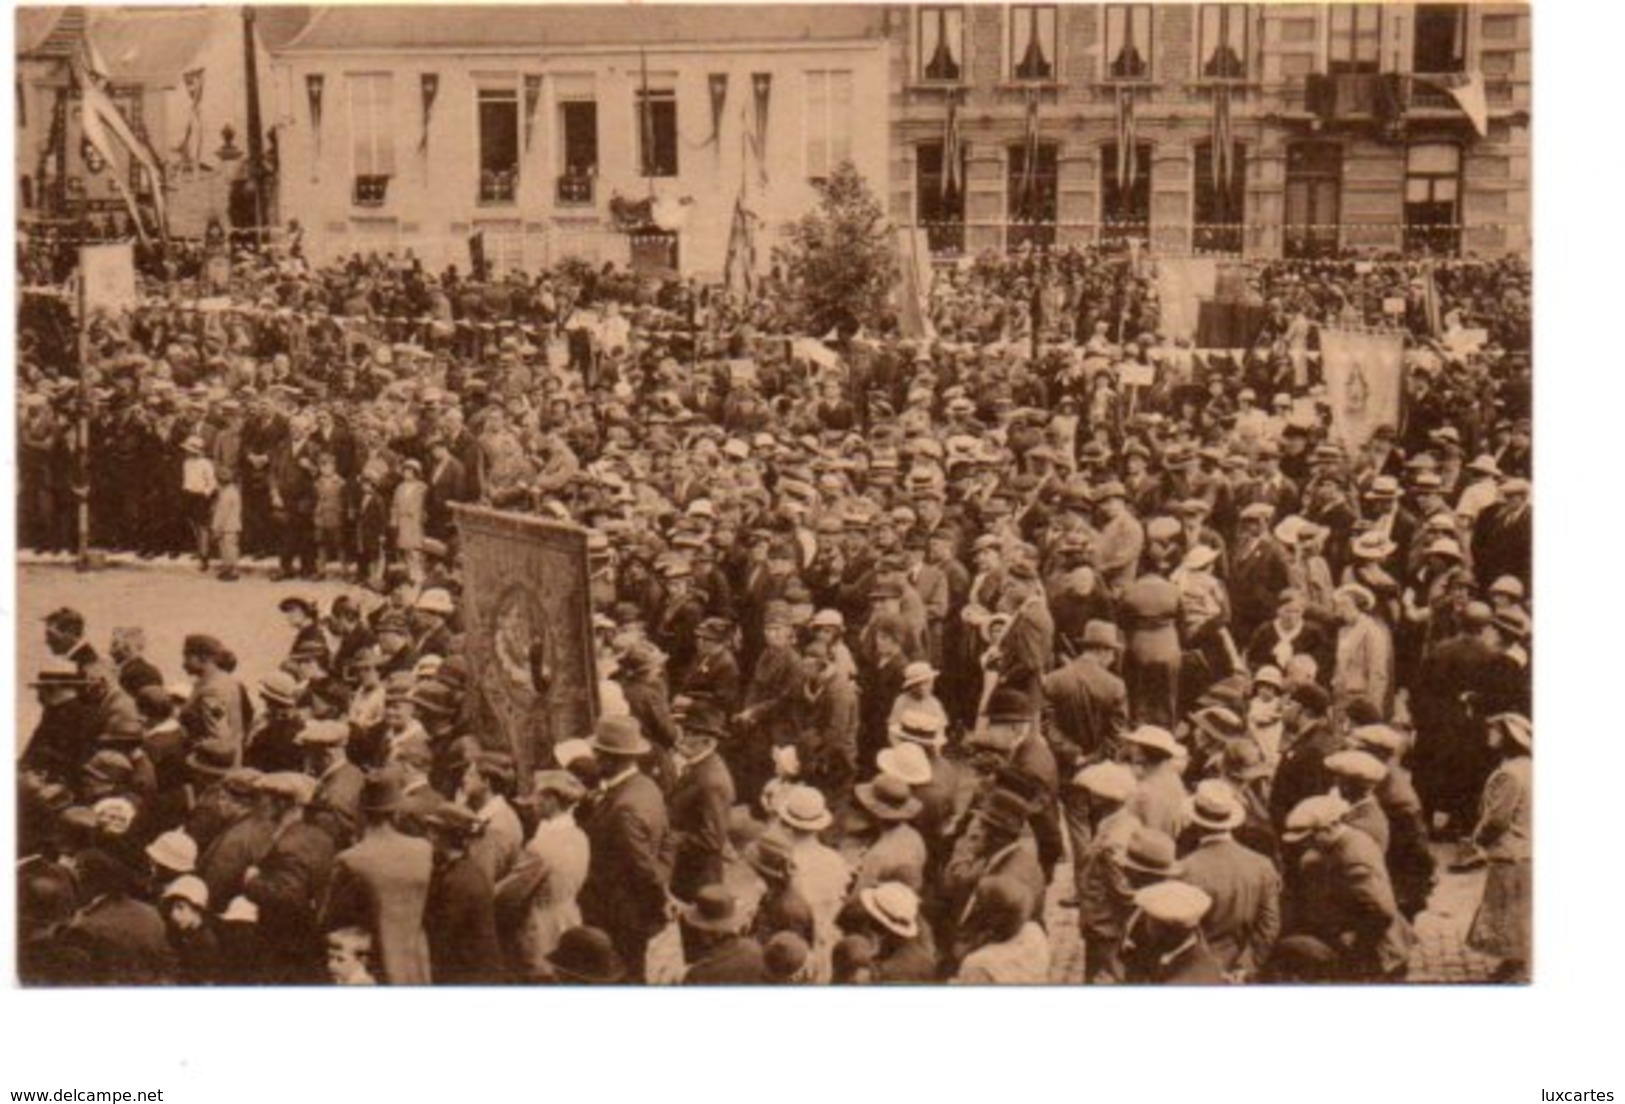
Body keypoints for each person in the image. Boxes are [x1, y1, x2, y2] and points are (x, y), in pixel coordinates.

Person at [577, 716, 672, 983]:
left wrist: (658, 894)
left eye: (597, 753)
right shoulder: (647, 786)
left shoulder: (623, 809)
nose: (593, 759)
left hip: (619, 914)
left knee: (622, 975)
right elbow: (667, 841)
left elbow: (642, 870)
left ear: (609, 759)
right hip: (632, 911)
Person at [321, 769, 434, 985]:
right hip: (416, 967)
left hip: (372, 971)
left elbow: (328, 919)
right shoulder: (423, 850)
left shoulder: (350, 860)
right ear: (397, 813)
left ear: (361, 814)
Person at [1177, 780, 1281, 981]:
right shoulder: (1262, 865)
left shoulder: (1186, 869)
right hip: (1240, 966)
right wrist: (1245, 967)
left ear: (1196, 822)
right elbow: (1269, 925)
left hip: (1197, 970)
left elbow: (1182, 932)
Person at [497, 771, 590, 981]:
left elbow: (508, 896)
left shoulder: (541, 847)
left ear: (552, 800)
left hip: (538, 935)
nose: (532, 803)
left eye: (537, 796)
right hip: (568, 923)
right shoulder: (580, 836)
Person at [1466, 713, 1531, 982]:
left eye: (1495, 731)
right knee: (1518, 908)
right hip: (1525, 848)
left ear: (1509, 737)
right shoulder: (1528, 766)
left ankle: (1515, 965)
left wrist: (1477, 837)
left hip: (1510, 850)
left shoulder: (1509, 774)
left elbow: (1497, 818)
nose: (1489, 736)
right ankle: (1515, 961)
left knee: (1507, 910)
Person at [422, 802, 503, 985]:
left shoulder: (460, 880)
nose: (429, 837)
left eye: (433, 832)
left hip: (470, 975)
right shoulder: (460, 867)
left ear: (446, 836)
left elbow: (442, 933)